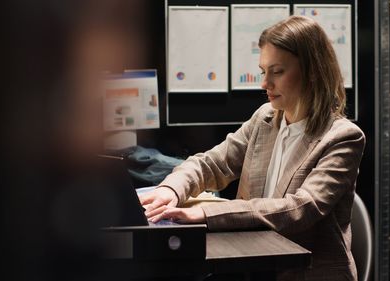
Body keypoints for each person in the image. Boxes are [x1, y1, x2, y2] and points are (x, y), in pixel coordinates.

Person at [139, 15, 365, 281]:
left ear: (313, 71)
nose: (264, 84)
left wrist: (207, 213)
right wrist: (171, 188)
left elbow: (299, 209)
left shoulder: (343, 137)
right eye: (263, 71)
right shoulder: (265, 118)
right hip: (255, 265)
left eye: (277, 72)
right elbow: (212, 163)